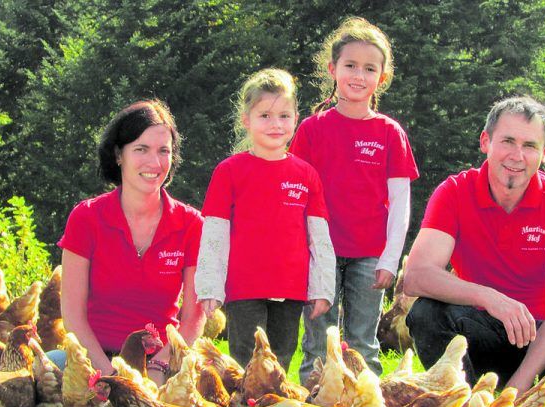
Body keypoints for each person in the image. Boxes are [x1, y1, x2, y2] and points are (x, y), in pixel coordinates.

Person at [403, 96, 545, 407]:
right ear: (486, 142)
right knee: (426, 315)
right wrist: (489, 297)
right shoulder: (455, 193)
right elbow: (416, 277)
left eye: (530, 145)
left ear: (544, 153)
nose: (517, 156)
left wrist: (517, 389)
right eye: (508, 141)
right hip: (489, 324)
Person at [290, 17, 419, 382]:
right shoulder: (312, 129)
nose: (358, 75)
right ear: (333, 69)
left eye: (369, 68)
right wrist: (301, 250)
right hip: (321, 254)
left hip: (370, 256)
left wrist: (391, 259)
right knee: (318, 343)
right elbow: (298, 196)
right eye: (350, 66)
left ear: (382, 76)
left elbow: (400, 203)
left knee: (363, 344)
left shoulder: (390, 133)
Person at [194, 68, 335, 371]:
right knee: (246, 362)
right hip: (244, 288)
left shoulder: (306, 174)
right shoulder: (229, 172)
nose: (276, 124)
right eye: (265, 116)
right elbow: (214, 234)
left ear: (296, 118)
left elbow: (318, 237)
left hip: (291, 287)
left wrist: (322, 288)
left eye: (284, 116)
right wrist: (209, 287)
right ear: (247, 120)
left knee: (281, 359)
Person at [58, 99, 206, 384]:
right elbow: (73, 318)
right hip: (96, 357)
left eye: (164, 151)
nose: (154, 162)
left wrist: (160, 367)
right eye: (141, 149)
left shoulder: (191, 225)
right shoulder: (86, 218)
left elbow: (192, 320)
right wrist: (111, 376)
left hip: (161, 362)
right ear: (118, 154)